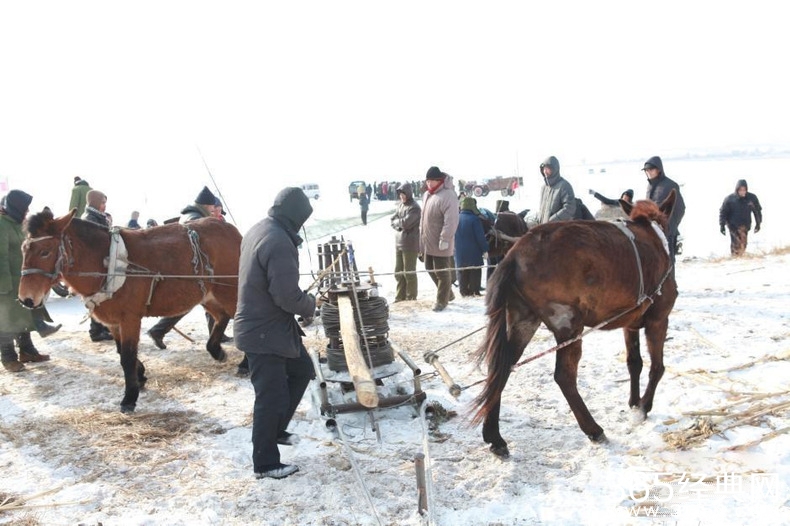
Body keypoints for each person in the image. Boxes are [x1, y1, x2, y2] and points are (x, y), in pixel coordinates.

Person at [234, 187, 316, 480]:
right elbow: (285, 296)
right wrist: (310, 306)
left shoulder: (261, 228)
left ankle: (276, 429)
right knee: (270, 396)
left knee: (303, 369)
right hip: (264, 331)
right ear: (296, 217)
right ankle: (266, 463)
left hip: (269, 326)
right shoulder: (279, 241)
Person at [147, 186, 218, 349]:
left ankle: (215, 334)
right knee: (190, 302)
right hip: (189, 268)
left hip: (190, 267)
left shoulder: (191, 215)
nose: (214, 210)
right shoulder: (194, 218)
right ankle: (158, 331)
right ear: (206, 206)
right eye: (213, 207)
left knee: (206, 302)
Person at [0, 190, 52, 372]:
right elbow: (1, 257)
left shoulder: (18, 224)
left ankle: (27, 351)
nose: (27, 210)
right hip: (6, 283)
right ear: (15, 207)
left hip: (22, 280)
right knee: (6, 320)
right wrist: (3, 285)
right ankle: (7, 357)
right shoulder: (1, 225)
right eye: (25, 207)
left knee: (24, 317)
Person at [419, 166, 459, 312]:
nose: (429, 184)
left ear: (439, 180)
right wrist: (421, 242)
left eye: (432, 181)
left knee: (442, 272)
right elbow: (423, 220)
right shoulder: (427, 195)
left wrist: (445, 238)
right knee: (429, 267)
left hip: (441, 241)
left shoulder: (448, 195)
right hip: (428, 241)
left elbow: (451, 220)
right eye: (427, 181)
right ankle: (448, 293)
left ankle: (442, 301)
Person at [82, 190, 115, 342]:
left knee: (103, 297)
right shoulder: (90, 218)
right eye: (102, 202)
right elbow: (95, 241)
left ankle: (102, 328)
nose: (104, 205)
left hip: (101, 262)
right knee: (97, 297)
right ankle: (95, 331)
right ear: (95, 202)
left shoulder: (98, 216)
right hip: (96, 264)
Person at [642, 156, 686, 264]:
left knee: (668, 260)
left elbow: (681, 208)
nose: (649, 173)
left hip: (668, 231)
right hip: (653, 231)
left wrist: (671, 225)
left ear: (659, 169)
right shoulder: (649, 186)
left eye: (651, 169)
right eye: (647, 170)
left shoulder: (670, 185)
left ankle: (671, 280)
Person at [389, 182, 421, 302]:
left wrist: (399, 223)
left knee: (409, 272)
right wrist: (399, 225)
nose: (402, 196)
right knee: (398, 272)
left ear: (408, 193)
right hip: (399, 242)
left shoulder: (415, 207)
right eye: (400, 194)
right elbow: (393, 220)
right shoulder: (401, 206)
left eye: (403, 194)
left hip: (410, 243)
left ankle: (411, 297)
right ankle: (400, 296)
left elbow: (406, 223)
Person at [454, 197, 488, 297]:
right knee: (475, 271)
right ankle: (474, 291)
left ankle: (463, 291)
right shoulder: (475, 219)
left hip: (459, 252)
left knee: (462, 271)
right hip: (473, 252)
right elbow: (480, 237)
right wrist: (485, 249)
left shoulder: (456, 218)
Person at [719, 179, 763, 257]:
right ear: (737, 190)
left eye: (744, 190)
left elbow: (757, 211)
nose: (742, 192)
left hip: (745, 225)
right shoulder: (730, 199)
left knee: (743, 244)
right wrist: (722, 225)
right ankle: (735, 258)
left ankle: (740, 258)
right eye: (740, 190)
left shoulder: (751, 198)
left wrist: (758, 223)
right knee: (735, 243)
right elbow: (723, 212)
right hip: (733, 225)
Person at [537, 156, 576, 224]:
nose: (545, 171)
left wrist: (552, 221)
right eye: (544, 169)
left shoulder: (564, 186)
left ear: (554, 169)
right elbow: (542, 209)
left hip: (559, 229)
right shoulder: (544, 187)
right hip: (544, 228)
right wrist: (539, 219)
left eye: (547, 169)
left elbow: (569, 208)